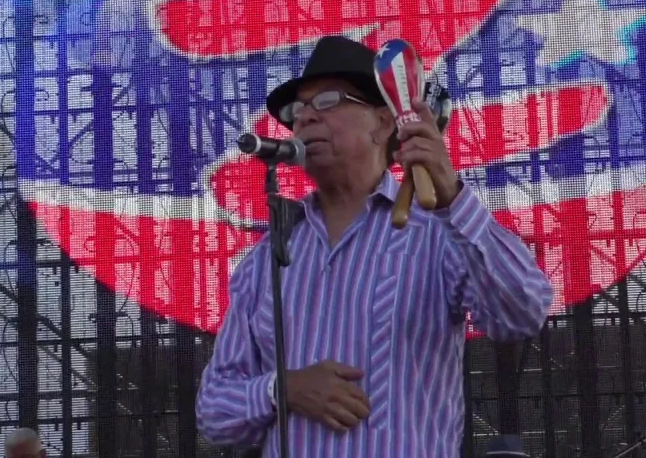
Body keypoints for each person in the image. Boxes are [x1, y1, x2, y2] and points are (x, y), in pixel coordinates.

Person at [196, 35, 553, 457]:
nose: (305, 119)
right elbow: (214, 412)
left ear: (384, 122)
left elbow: (523, 311)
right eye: (297, 111)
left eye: (327, 101)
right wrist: (283, 388)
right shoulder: (265, 260)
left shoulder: (437, 234)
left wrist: (453, 196)